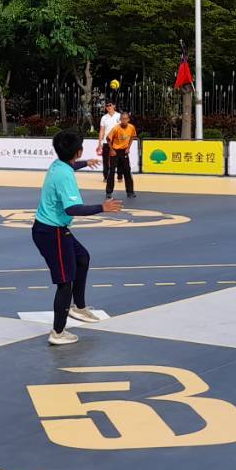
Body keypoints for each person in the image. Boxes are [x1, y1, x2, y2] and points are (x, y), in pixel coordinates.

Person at [33, 130, 120, 346]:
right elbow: (72, 208)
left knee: (82, 258)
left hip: (51, 228)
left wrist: (85, 163)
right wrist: (102, 207)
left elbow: (71, 166)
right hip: (52, 232)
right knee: (65, 282)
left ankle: (79, 307)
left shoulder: (58, 165)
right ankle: (58, 332)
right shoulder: (64, 175)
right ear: (78, 151)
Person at [104, 112, 136, 200]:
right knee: (111, 171)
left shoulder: (131, 127)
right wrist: (111, 150)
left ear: (128, 119)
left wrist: (128, 148)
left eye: (126, 119)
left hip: (124, 151)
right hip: (115, 151)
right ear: (120, 120)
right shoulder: (116, 128)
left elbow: (132, 137)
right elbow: (108, 139)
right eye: (122, 119)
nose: (124, 120)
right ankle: (109, 192)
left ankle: (130, 192)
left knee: (127, 171)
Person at [96, 101, 120, 171]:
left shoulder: (119, 116)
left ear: (114, 106)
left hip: (117, 142)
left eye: (110, 105)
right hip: (106, 142)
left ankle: (119, 175)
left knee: (117, 160)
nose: (108, 107)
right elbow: (102, 131)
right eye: (107, 106)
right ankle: (106, 175)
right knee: (105, 160)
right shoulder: (104, 117)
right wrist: (99, 143)